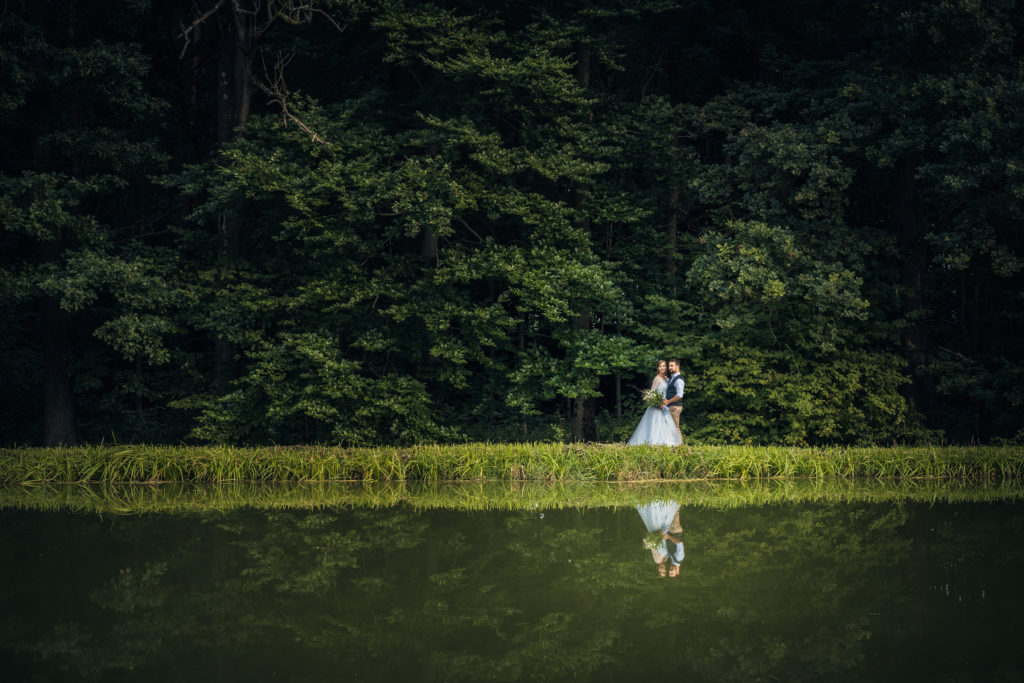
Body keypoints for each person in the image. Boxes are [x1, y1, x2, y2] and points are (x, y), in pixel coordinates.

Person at [626, 360, 682, 446]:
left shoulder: (667, 379)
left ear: (666, 367)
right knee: (655, 426)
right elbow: (652, 394)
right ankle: (654, 444)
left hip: (665, 406)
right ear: (657, 368)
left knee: (666, 426)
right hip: (657, 406)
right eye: (660, 366)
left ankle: (666, 444)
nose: (662, 368)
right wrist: (658, 403)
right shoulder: (656, 379)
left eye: (663, 366)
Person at [636, 500, 685, 577]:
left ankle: (674, 499)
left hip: (670, 532)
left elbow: (657, 545)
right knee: (674, 511)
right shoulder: (678, 559)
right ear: (677, 572)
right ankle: (678, 499)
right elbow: (679, 544)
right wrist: (667, 536)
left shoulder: (666, 559)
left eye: (668, 572)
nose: (669, 570)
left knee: (672, 512)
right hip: (675, 531)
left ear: (658, 570)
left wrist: (663, 536)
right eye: (671, 572)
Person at [662, 359, 685, 445]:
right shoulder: (673, 378)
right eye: (669, 366)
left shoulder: (679, 380)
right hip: (671, 406)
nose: (670, 367)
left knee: (675, 428)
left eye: (672, 366)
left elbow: (679, 395)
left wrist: (668, 402)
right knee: (670, 428)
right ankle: (673, 445)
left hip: (675, 407)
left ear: (677, 366)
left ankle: (681, 447)